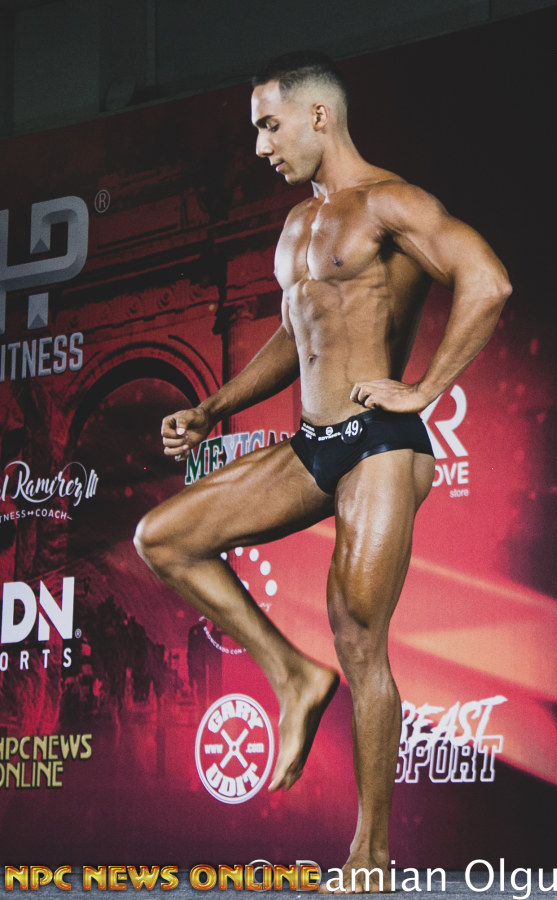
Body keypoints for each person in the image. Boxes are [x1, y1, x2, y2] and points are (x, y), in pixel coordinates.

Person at [134, 51, 511, 891]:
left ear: (318, 116)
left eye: (270, 126)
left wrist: (424, 390)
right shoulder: (298, 226)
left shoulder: (391, 203)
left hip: (382, 442)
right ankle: (293, 677)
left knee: (359, 635)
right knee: (163, 537)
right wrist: (212, 407)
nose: (260, 146)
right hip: (315, 443)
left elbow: (487, 281)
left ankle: (369, 859)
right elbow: (294, 334)